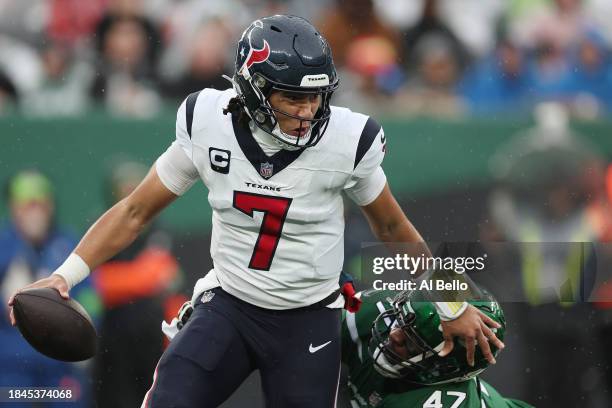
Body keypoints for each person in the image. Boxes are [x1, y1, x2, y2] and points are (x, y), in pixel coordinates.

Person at [8, 15, 503, 408]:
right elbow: (136, 209)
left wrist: (452, 304)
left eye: (316, 96)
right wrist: (64, 276)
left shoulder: (346, 140)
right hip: (230, 307)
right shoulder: (208, 123)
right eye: (293, 96)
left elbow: (394, 226)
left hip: (307, 319)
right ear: (251, 86)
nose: (308, 111)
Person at [0, 170, 100, 407]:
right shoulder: (4, 247)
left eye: (40, 205)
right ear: (14, 208)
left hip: (60, 363)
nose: (34, 213)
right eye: (27, 205)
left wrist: (83, 324)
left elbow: (92, 295)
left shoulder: (68, 245)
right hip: (11, 367)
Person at [342, 288, 534, 407]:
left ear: (444, 367)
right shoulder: (372, 311)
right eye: (399, 320)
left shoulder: (440, 402)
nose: (394, 334)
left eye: (412, 342)